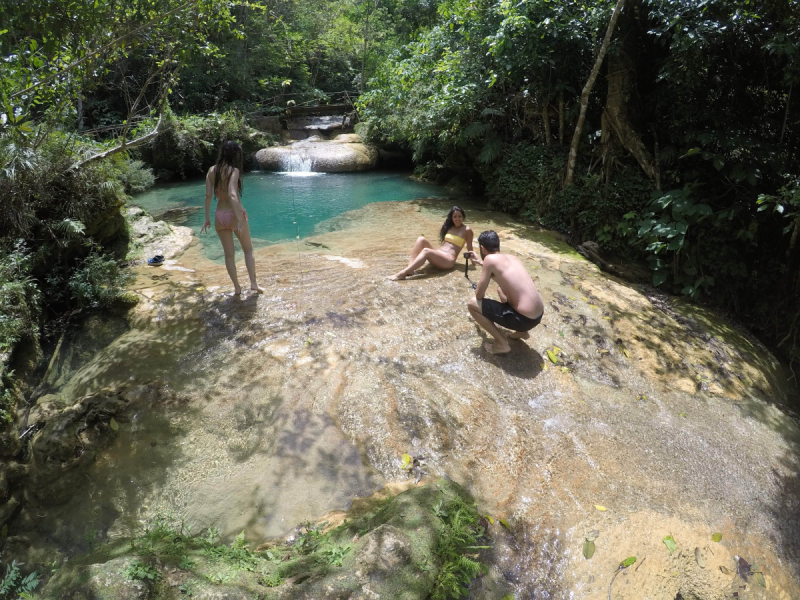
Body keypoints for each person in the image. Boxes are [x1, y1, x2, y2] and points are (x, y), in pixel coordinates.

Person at [201, 141, 264, 295]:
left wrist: (207, 218)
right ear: (235, 155)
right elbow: (232, 194)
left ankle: (237, 288)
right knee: (248, 250)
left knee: (229, 255)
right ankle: (253, 284)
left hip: (219, 215)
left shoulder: (211, 171)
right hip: (233, 215)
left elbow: (208, 196)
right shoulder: (233, 171)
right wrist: (240, 218)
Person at [466, 230, 544, 354]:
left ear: (482, 248)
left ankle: (501, 344)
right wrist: (481, 263)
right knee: (500, 289)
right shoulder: (513, 258)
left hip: (523, 320)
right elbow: (502, 274)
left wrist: (478, 288)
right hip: (537, 316)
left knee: (472, 304)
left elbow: (479, 295)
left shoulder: (489, 260)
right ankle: (522, 333)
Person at [388, 206, 474, 280]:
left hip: (448, 259)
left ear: (463, 217)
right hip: (439, 255)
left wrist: (473, 263)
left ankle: (403, 273)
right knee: (421, 239)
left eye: (459, 216)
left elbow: (469, 248)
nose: (457, 219)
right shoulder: (449, 227)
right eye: (455, 216)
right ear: (451, 217)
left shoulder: (467, 230)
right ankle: (410, 269)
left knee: (426, 251)